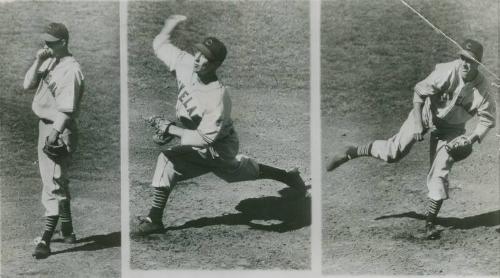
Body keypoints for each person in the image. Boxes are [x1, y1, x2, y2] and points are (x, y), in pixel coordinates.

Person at [134, 15, 309, 236]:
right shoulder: (186, 63)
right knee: (172, 162)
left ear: (216, 64)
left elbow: (206, 139)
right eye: (197, 52)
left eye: (205, 57)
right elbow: (159, 44)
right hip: (200, 141)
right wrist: (170, 24)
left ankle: (287, 176)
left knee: (233, 169)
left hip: (220, 148)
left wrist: (170, 129)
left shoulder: (217, 96)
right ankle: (154, 219)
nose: (198, 58)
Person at [327, 39, 496, 240]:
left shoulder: (484, 89)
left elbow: (487, 119)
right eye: (462, 58)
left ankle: (429, 224)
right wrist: (417, 123)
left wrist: (472, 138)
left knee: (440, 171)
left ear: (478, 64)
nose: (465, 64)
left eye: (470, 60)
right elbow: (419, 93)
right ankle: (352, 151)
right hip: (425, 114)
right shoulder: (446, 71)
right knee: (393, 152)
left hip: (452, 131)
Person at [23, 22, 84, 259]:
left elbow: (68, 110)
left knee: (53, 183)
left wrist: (54, 134)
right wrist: (38, 60)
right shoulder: (50, 60)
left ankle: (46, 240)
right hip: (45, 127)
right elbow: (27, 84)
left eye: (50, 42)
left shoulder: (72, 70)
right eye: (44, 41)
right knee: (58, 179)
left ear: (63, 43)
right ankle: (67, 230)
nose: (45, 46)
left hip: (59, 129)